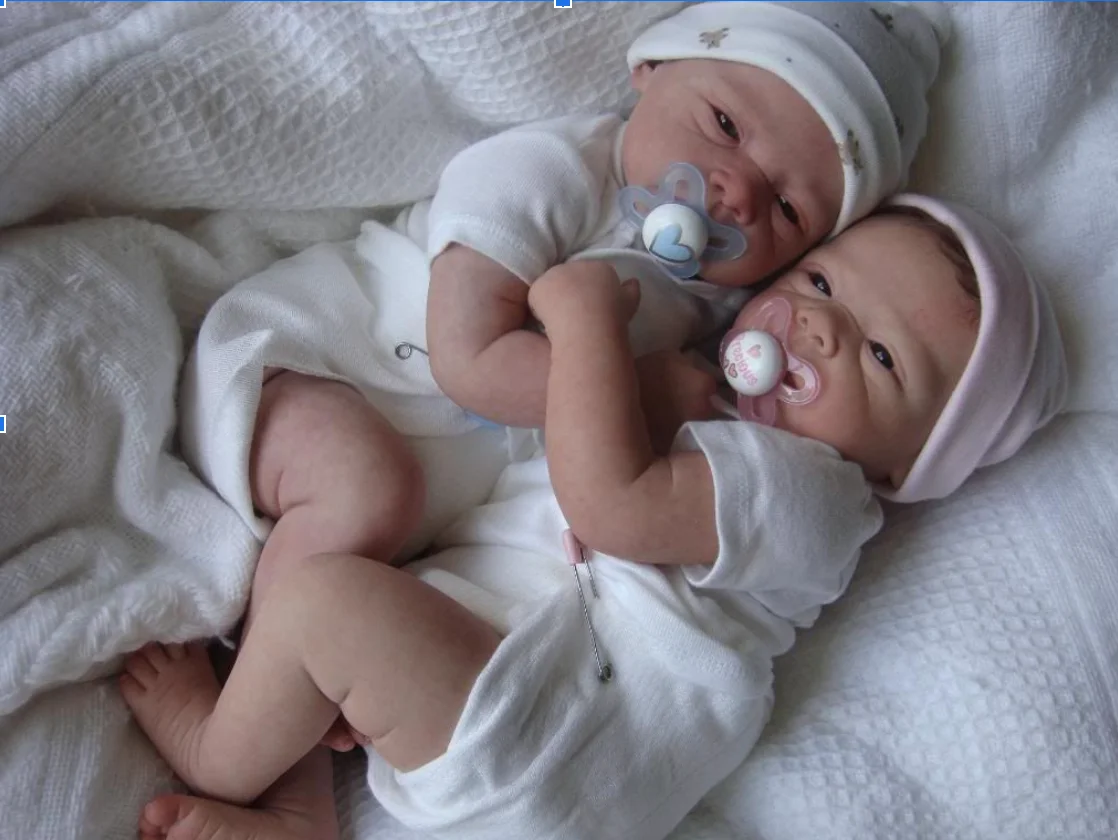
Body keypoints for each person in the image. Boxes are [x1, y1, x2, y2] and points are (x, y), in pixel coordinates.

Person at [122, 195, 1066, 840]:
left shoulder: (813, 491)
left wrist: (586, 331)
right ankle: (296, 815)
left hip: (550, 728)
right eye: (821, 284)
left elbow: (612, 506)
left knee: (322, 604)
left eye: (883, 358)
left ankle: (216, 751)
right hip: (534, 722)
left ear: (902, 470)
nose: (822, 328)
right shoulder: (722, 420)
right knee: (345, 610)